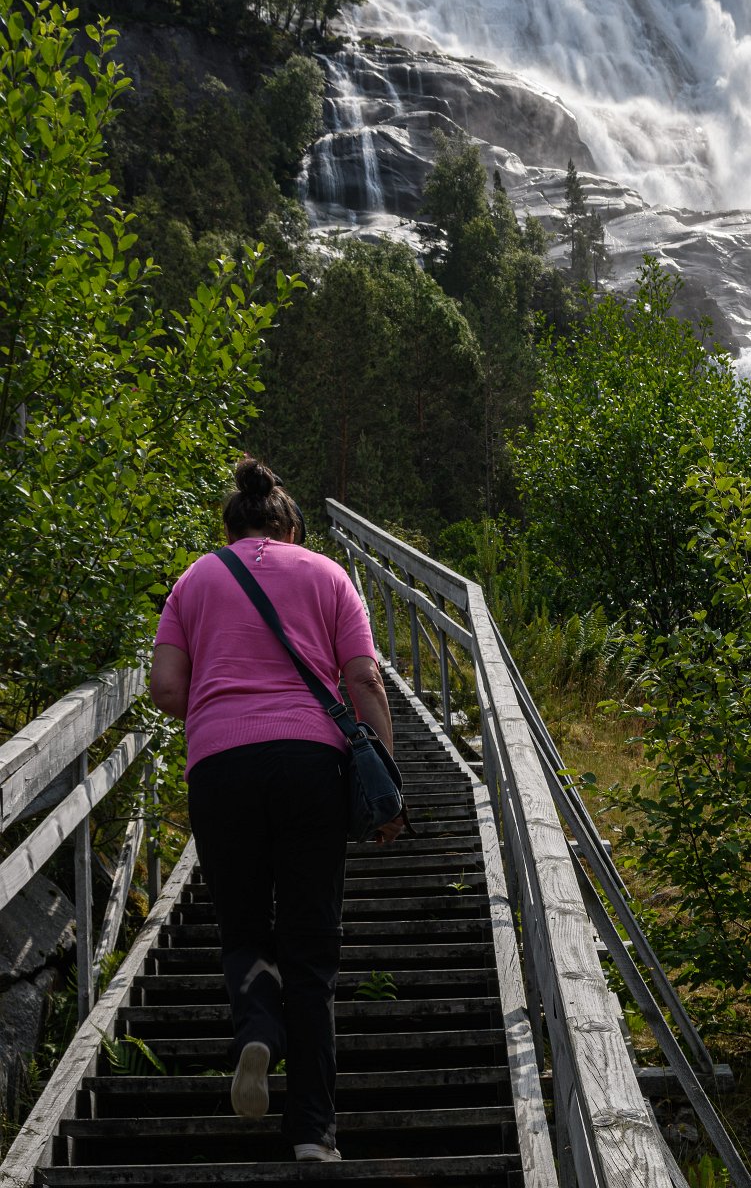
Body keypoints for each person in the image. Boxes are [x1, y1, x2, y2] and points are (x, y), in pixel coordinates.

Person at [149, 457, 402, 1163]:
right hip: (311, 766)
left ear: (230, 527)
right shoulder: (327, 574)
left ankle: (258, 1028)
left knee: (242, 925)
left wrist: (221, 701)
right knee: (311, 948)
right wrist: (386, 782)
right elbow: (365, 679)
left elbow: (165, 688)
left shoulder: (195, 580)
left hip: (220, 767)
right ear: (289, 526)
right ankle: (312, 1133)